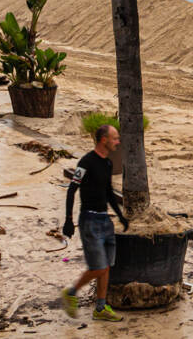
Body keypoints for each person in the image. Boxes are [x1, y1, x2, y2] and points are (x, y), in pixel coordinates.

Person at [60, 123, 129, 322]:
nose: (118, 141)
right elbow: (72, 189)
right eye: (115, 138)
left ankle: (100, 308)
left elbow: (108, 192)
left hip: (104, 219)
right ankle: (71, 292)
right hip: (89, 220)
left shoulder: (107, 163)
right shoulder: (86, 162)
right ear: (103, 140)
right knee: (98, 267)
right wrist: (68, 220)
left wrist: (120, 214)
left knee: (106, 266)